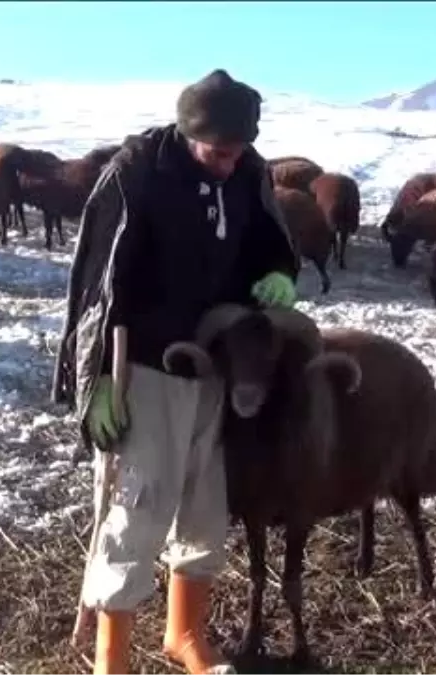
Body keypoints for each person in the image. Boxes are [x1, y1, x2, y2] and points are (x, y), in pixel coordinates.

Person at [52, 68, 300, 675]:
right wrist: (97, 380)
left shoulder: (245, 171)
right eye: (219, 151)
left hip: (216, 361)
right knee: (139, 504)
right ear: (191, 133)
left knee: (205, 505)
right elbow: (97, 282)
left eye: (238, 149)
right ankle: (113, 659)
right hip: (144, 364)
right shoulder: (139, 174)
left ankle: (184, 635)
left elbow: (265, 239)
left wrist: (280, 271)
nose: (228, 162)